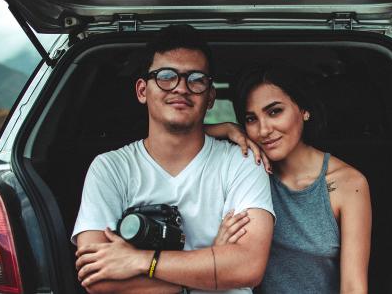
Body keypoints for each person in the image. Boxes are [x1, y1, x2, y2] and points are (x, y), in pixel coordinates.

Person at [71, 25, 275, 294]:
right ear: (142, 90)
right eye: (166, 76)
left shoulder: (242, 161)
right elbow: (97, 278)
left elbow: (248, 267)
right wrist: (213, 263)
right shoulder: (109, 168)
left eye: (196, 79)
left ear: (210, 97)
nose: (181, 88)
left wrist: (141, 261)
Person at [209, 63, 372, 293]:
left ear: (304, 110)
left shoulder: (348, 184)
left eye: (274, 111)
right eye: (251, 119)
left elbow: (353, 287)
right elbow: (171, 137)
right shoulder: (246, 170)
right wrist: (226, 128)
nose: (264, 130)